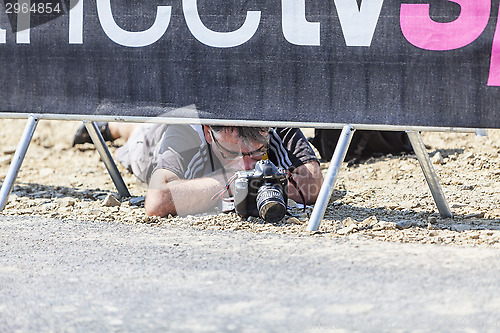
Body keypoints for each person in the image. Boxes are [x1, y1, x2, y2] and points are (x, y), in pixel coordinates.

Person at [74, 123, 323, 217]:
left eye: (256, 152)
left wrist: (244, 187)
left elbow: (312, 183)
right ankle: (111, 127)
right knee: (139, 132)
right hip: (153, 143)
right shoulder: (186, 132)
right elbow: (157, 202)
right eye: (232, 153)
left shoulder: (272, 123)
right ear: (208, 133)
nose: (247, 165)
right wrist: (235, 185)